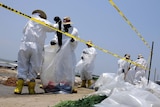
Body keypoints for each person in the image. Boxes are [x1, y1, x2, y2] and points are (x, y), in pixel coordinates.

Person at [14, 10, 58, 94]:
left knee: (22, 65)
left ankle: (18, 88)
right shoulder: (42, 21)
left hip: (24, 45)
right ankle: (31, 89)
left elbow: (23, 31)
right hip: (36, 46)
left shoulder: (29, 21)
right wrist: (59, 23)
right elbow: (53, 27)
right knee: (34, 66)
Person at [40, 16, 79, 93]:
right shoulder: (61, 29)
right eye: (64, 24)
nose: (65, 25)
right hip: (60, 51)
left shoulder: (74, 30)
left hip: (68, 53)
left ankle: (69, 86)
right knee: (58, 68)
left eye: (66, 24)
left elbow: (76, 41)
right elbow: (56, 37)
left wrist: (73, 41)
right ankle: (57, 85)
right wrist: (53, 41)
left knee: (69, 69)